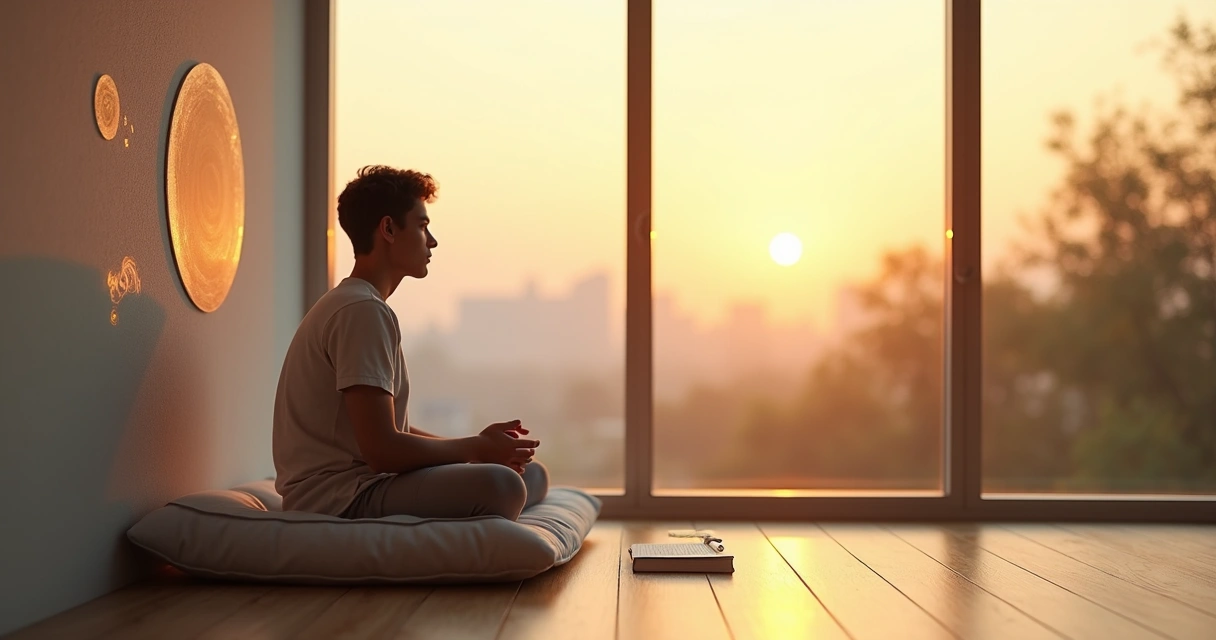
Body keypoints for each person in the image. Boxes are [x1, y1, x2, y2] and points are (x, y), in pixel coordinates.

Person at [271, 165, 548, 520]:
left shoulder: (361, 304)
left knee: (531, 476)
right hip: (340, 496)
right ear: (388, 229)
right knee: (504, 486)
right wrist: (477, 448)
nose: (431, 240)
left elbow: (390, 433)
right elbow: (383, 451)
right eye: (421, 226)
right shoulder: (361, 310)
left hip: (368, 480)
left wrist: (481, 448)